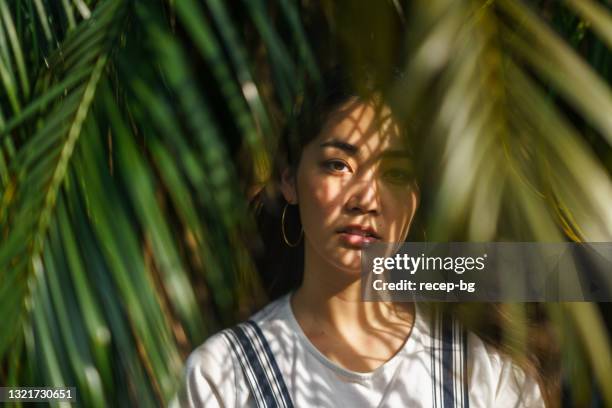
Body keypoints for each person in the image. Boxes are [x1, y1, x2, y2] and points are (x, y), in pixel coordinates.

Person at [176, 68, 547, 407]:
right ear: (289, 179)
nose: (367, 199)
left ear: (417, 197)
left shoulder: (488, 378)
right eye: (338, 165)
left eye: (396, 173)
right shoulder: (223, 377)